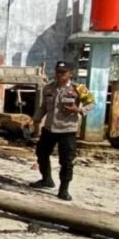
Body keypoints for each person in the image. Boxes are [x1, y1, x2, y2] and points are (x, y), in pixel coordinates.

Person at [31, 60, 82, 200]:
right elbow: (43, 107)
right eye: (57, 72)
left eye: (63, 73)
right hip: (49, 128)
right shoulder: (48, 88)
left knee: (66, 161)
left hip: (67, 130)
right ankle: (46, 179)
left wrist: (79, 109)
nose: (59, 75)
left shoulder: (79, 89)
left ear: (70, 73)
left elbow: (93, 103)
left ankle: (64, 189)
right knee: (41, 153)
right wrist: (35, 119)